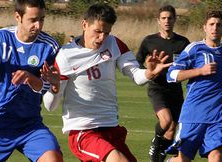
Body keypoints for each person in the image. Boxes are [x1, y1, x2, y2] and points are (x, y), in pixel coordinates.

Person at [43, 3, 171, 162]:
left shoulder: (114, 44)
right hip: (84, 132)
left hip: (111, 128)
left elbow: (137, 77)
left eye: (106, 32)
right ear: (84, 24)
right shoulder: (66, 55)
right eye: (97, 31)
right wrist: (55, 87)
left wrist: (149, 72)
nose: (102, 38)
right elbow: (50, 106)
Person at [0, 0, 63, 161]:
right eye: (33, 20)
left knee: (53, 159)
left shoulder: (50, 47)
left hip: (29, 126)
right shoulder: (0, 38)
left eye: (42, 19)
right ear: (18, 16)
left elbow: (46, 87)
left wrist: (30, 77)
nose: (38, 25)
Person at [165, 10, 222, 162]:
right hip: (193, 114)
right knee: (183, 159)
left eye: (218, 25)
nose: (215, 28)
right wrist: (200, 71)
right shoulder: (195, 49)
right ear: (205, 27)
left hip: (218, 117)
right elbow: (171, 75)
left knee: (216, 156)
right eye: (211, 24)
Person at [135, 5, 190, 162]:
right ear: (158, 21)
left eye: (170, 18)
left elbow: (190, 63)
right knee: (165, 121)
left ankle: (159, 156)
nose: (167, 21)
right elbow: (137, 63)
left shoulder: (183, 42)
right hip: (157, 88)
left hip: (175, 89)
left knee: (171, 129)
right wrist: (149, 69)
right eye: (164, 18)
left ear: (175, 19)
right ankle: (156, 142)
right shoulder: (149, 41)